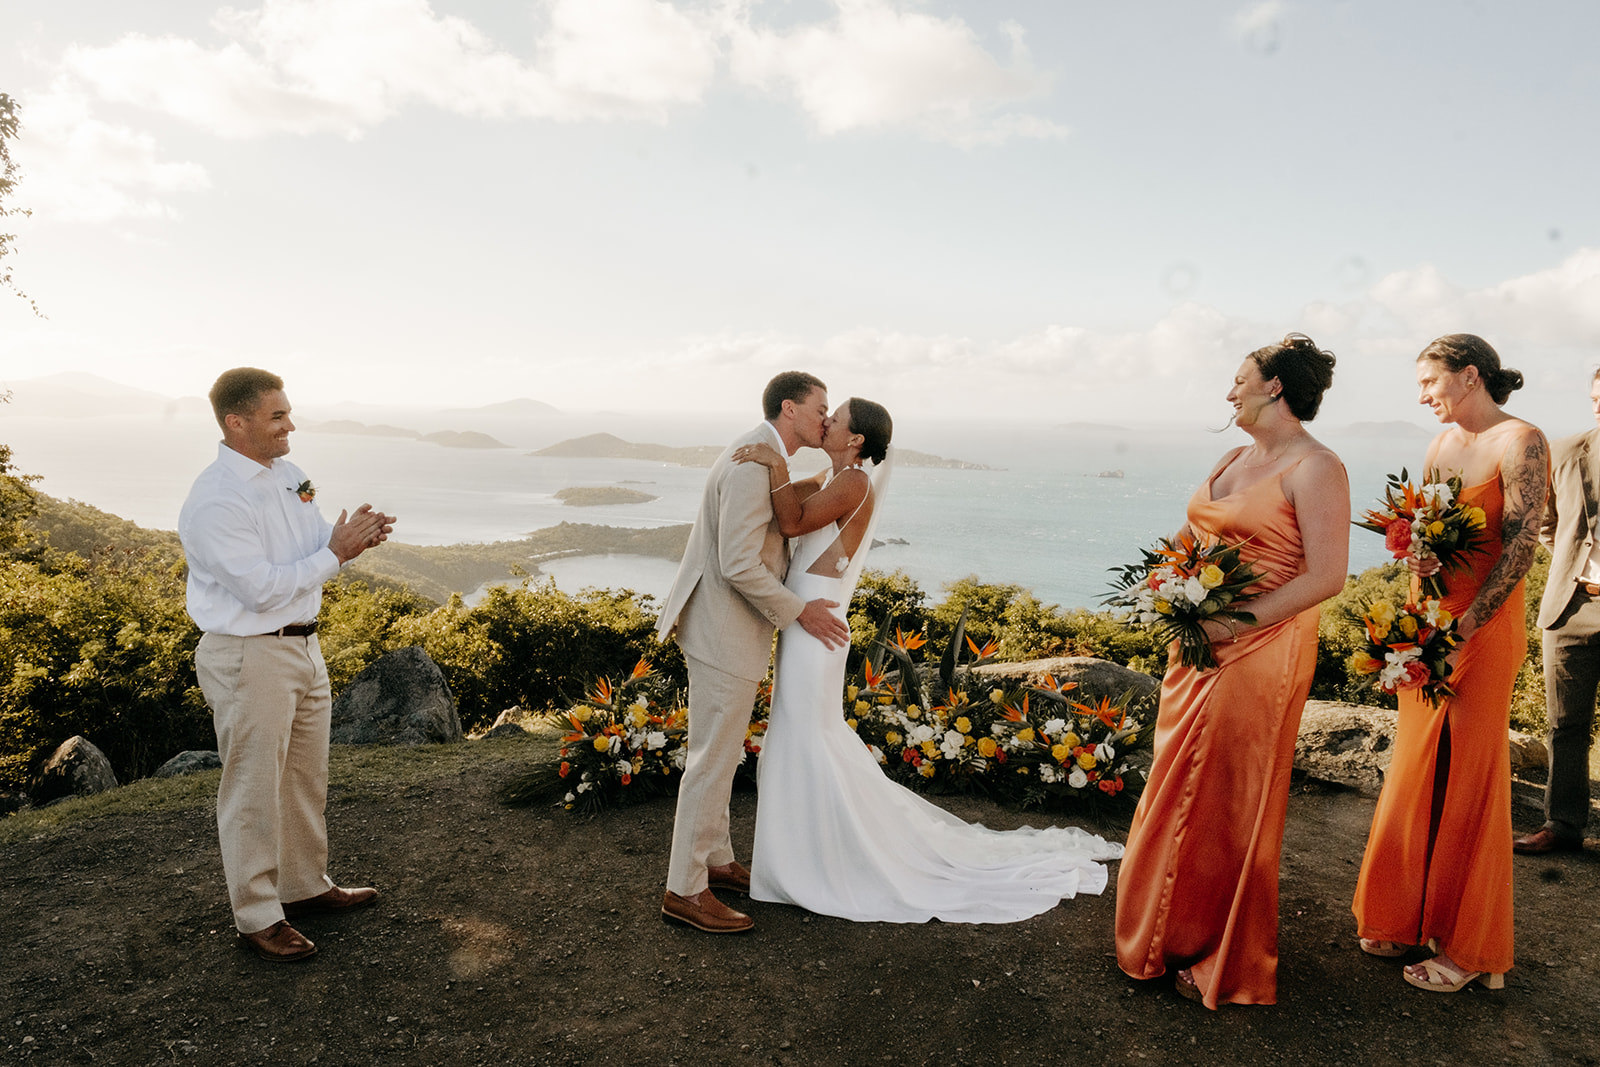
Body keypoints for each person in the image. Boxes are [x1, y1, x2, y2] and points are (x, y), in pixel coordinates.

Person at [732, 398, 1122, 923]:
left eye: (836, 417)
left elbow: (793, 523)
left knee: (806, 734)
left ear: (856, 440)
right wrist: (772, 468)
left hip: (815, 623)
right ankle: (805, 854)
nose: (826, 422)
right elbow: (782, 507)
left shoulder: (854, 483)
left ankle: (818, 859)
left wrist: (776, 462)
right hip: (807, 619)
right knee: (802, 733)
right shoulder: (832, 476)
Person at [1115, 334, 1348, 1008]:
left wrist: (1230, 625)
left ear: (1275, 387)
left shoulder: (1317, 467)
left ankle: (1221, 952)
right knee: (1175, 780)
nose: (1229, 391)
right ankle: (1166, 932)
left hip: (1258, 652)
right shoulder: (1232, 456)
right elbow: (1194, 543)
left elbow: (1328, 575)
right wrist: (1171, 592)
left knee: (1228, 799)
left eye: (1240, 379)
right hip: (1196, 650)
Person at [1352, 334, 1549, 993]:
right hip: (1426, 621)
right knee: (1414, 766)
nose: (1422, 394)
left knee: (1468, 775)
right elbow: (1431, 534)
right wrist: (1420, 565)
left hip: (1483, 629)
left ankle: (1473, 951)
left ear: (1469, 376)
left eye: (1430, 381)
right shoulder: (1439, 446)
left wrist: (1468, 622)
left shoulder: (1522, 441)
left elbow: (1521, 548)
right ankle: (1406, 911)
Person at [179, 368, 395, 963]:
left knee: (304, 775)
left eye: (287, 412)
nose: (290, 425)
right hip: (251, 654)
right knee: (252, 787)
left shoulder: (291, 476)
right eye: (277, 416)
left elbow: (305, 548)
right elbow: (261, 590)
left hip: (303, 646)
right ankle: (257, 914)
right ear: (236, 422)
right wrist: (336, 551)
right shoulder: (215, 501)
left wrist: (348, 535)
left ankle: (304, 886)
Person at [656, 371, 850, 934]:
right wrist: (798, 610)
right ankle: (684, 890)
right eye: (821, 408)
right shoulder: (751, 462)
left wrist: (797, 470)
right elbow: (738, 562)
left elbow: (795, 503)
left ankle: (715, 863)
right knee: (712, 760)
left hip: (728, 628)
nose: (826, 418)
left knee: (717, 752)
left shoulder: (768, 456)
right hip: (723, 631)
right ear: (790, 409)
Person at [1515, 369, 1600, 855]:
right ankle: (1562, 824)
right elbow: (1546, 522)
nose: (1598, 408)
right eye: (1593, 398)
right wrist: (1572, 566)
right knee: (1565, 725)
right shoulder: (1566, 452)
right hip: (1571, 607)